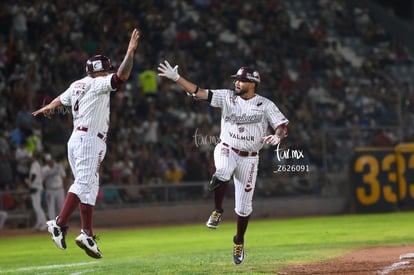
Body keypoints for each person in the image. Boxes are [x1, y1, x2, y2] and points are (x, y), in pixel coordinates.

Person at [158, 61, 289, 264]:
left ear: (253, 83)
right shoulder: (227, 97)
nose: (236, 83)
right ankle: (218, 209)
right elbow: (199, 92)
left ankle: (238, 240)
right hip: (227, 148)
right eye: (236, 79)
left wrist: (278, 137)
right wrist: (177, 78)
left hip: (250, 158)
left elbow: (281, 124)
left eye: (241, 80)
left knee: (244, 209)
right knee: (223, 171)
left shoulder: (265, 104)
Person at [32, 28, 140, 258]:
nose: (108, 71)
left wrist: (48, 107)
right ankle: (59, 224)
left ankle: (87, 234)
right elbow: (121, 76)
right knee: (83, 184)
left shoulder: (77, 85)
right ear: (100, 71)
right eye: (106, 69)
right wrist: (130, 52)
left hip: (79, 139)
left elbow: (60, 100)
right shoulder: (98, 84)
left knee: (90, 188)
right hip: (90, 139)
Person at [26, 152, 47, 231]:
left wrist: (30, 183)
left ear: (34, 157)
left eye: (31, 157)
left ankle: (44, 223)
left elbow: (34, 175)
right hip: (37, 186)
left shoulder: (35, 164)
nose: (30, 158)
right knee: (36, 206)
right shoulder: (36, 164)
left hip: (36, 187)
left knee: (37, 207)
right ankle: (39, 223)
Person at [42, 153, 66, 220]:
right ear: (47, 162)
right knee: (50, 207)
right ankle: (52, 223)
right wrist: (45, 189)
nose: (50, 162)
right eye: (48, 161)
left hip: (59, 189)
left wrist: (65, 188)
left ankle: (61, 222)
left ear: (53, 160)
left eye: (51, 160)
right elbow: (43, 181)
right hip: (50, 190)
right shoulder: (44, 169)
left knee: (61, 207)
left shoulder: (59, 166)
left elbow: (64, 177)